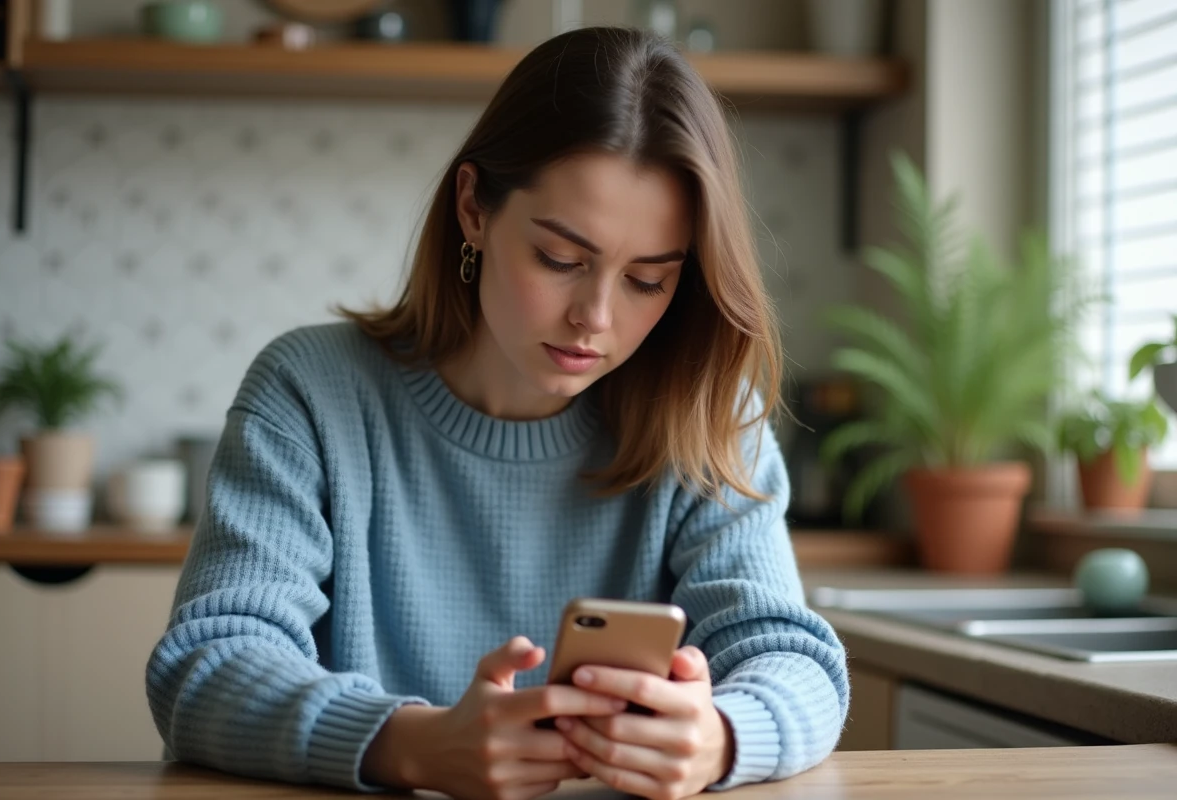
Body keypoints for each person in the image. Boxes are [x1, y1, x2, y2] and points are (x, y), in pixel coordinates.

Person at [146, 25, 848, 800]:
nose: (595, 317)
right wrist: (411, 745)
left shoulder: (709, 415)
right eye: (560, 259)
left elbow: (796, 665)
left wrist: (720, 737)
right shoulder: (310, 390)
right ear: (473, 208)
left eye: (648, 280)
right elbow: (205, 664)